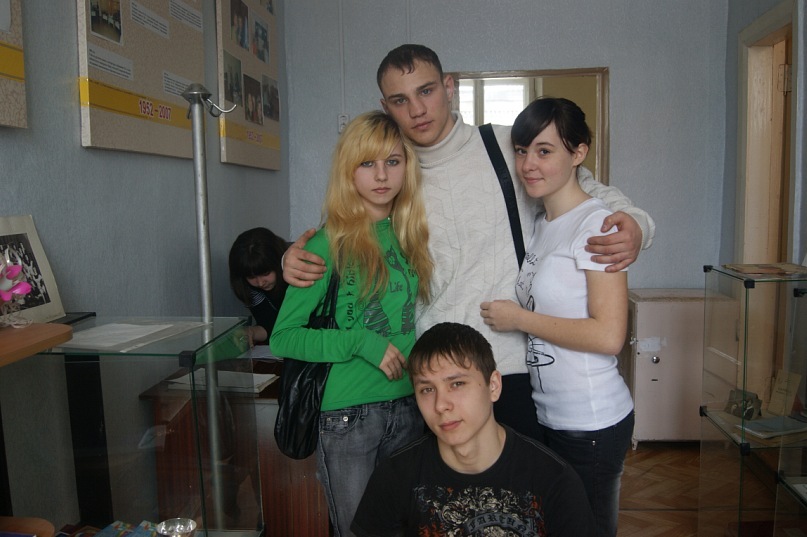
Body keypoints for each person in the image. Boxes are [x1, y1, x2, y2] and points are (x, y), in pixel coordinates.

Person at [282, 44, 655, 440]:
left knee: (518, 480)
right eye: (400, 100)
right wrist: (293, 258)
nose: (417, 110)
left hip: (509, 366)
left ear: (449, 87)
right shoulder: (392, 170)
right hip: (431, 373)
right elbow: (352, 230)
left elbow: (587, 189)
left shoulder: (507, 147)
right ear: (386, 106)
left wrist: (637, 225)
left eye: (426, 91)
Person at [270, 111, 434, 537]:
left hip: (409, 408)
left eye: (392, 162)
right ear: (349, 171)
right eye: (367, 163)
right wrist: (361, 341)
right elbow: (283, 338)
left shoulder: (410, 233)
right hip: (348, 417)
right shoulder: (327, 243)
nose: (381, 175)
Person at [480, 97, 634, 537]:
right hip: (551, 415)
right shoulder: (543, 224)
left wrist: (518, 320)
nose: (528, 164)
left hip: (592, 420)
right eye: (522, 150)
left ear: (579, 153)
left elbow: (609, 336)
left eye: (544, 151)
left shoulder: (597, 225)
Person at [351, 322, 595, 537]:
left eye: (457, 384)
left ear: (493, 386)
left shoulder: (554, 480)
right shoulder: (396, 475)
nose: (441, 405)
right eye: (427, 389)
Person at [228, 227, 289, 346]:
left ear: (278, 263)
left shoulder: (299, 274)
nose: (260, 283)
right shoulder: (249, 287)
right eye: (251, 277)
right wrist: (251, 332)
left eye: (266, 273)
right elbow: (270, 324)